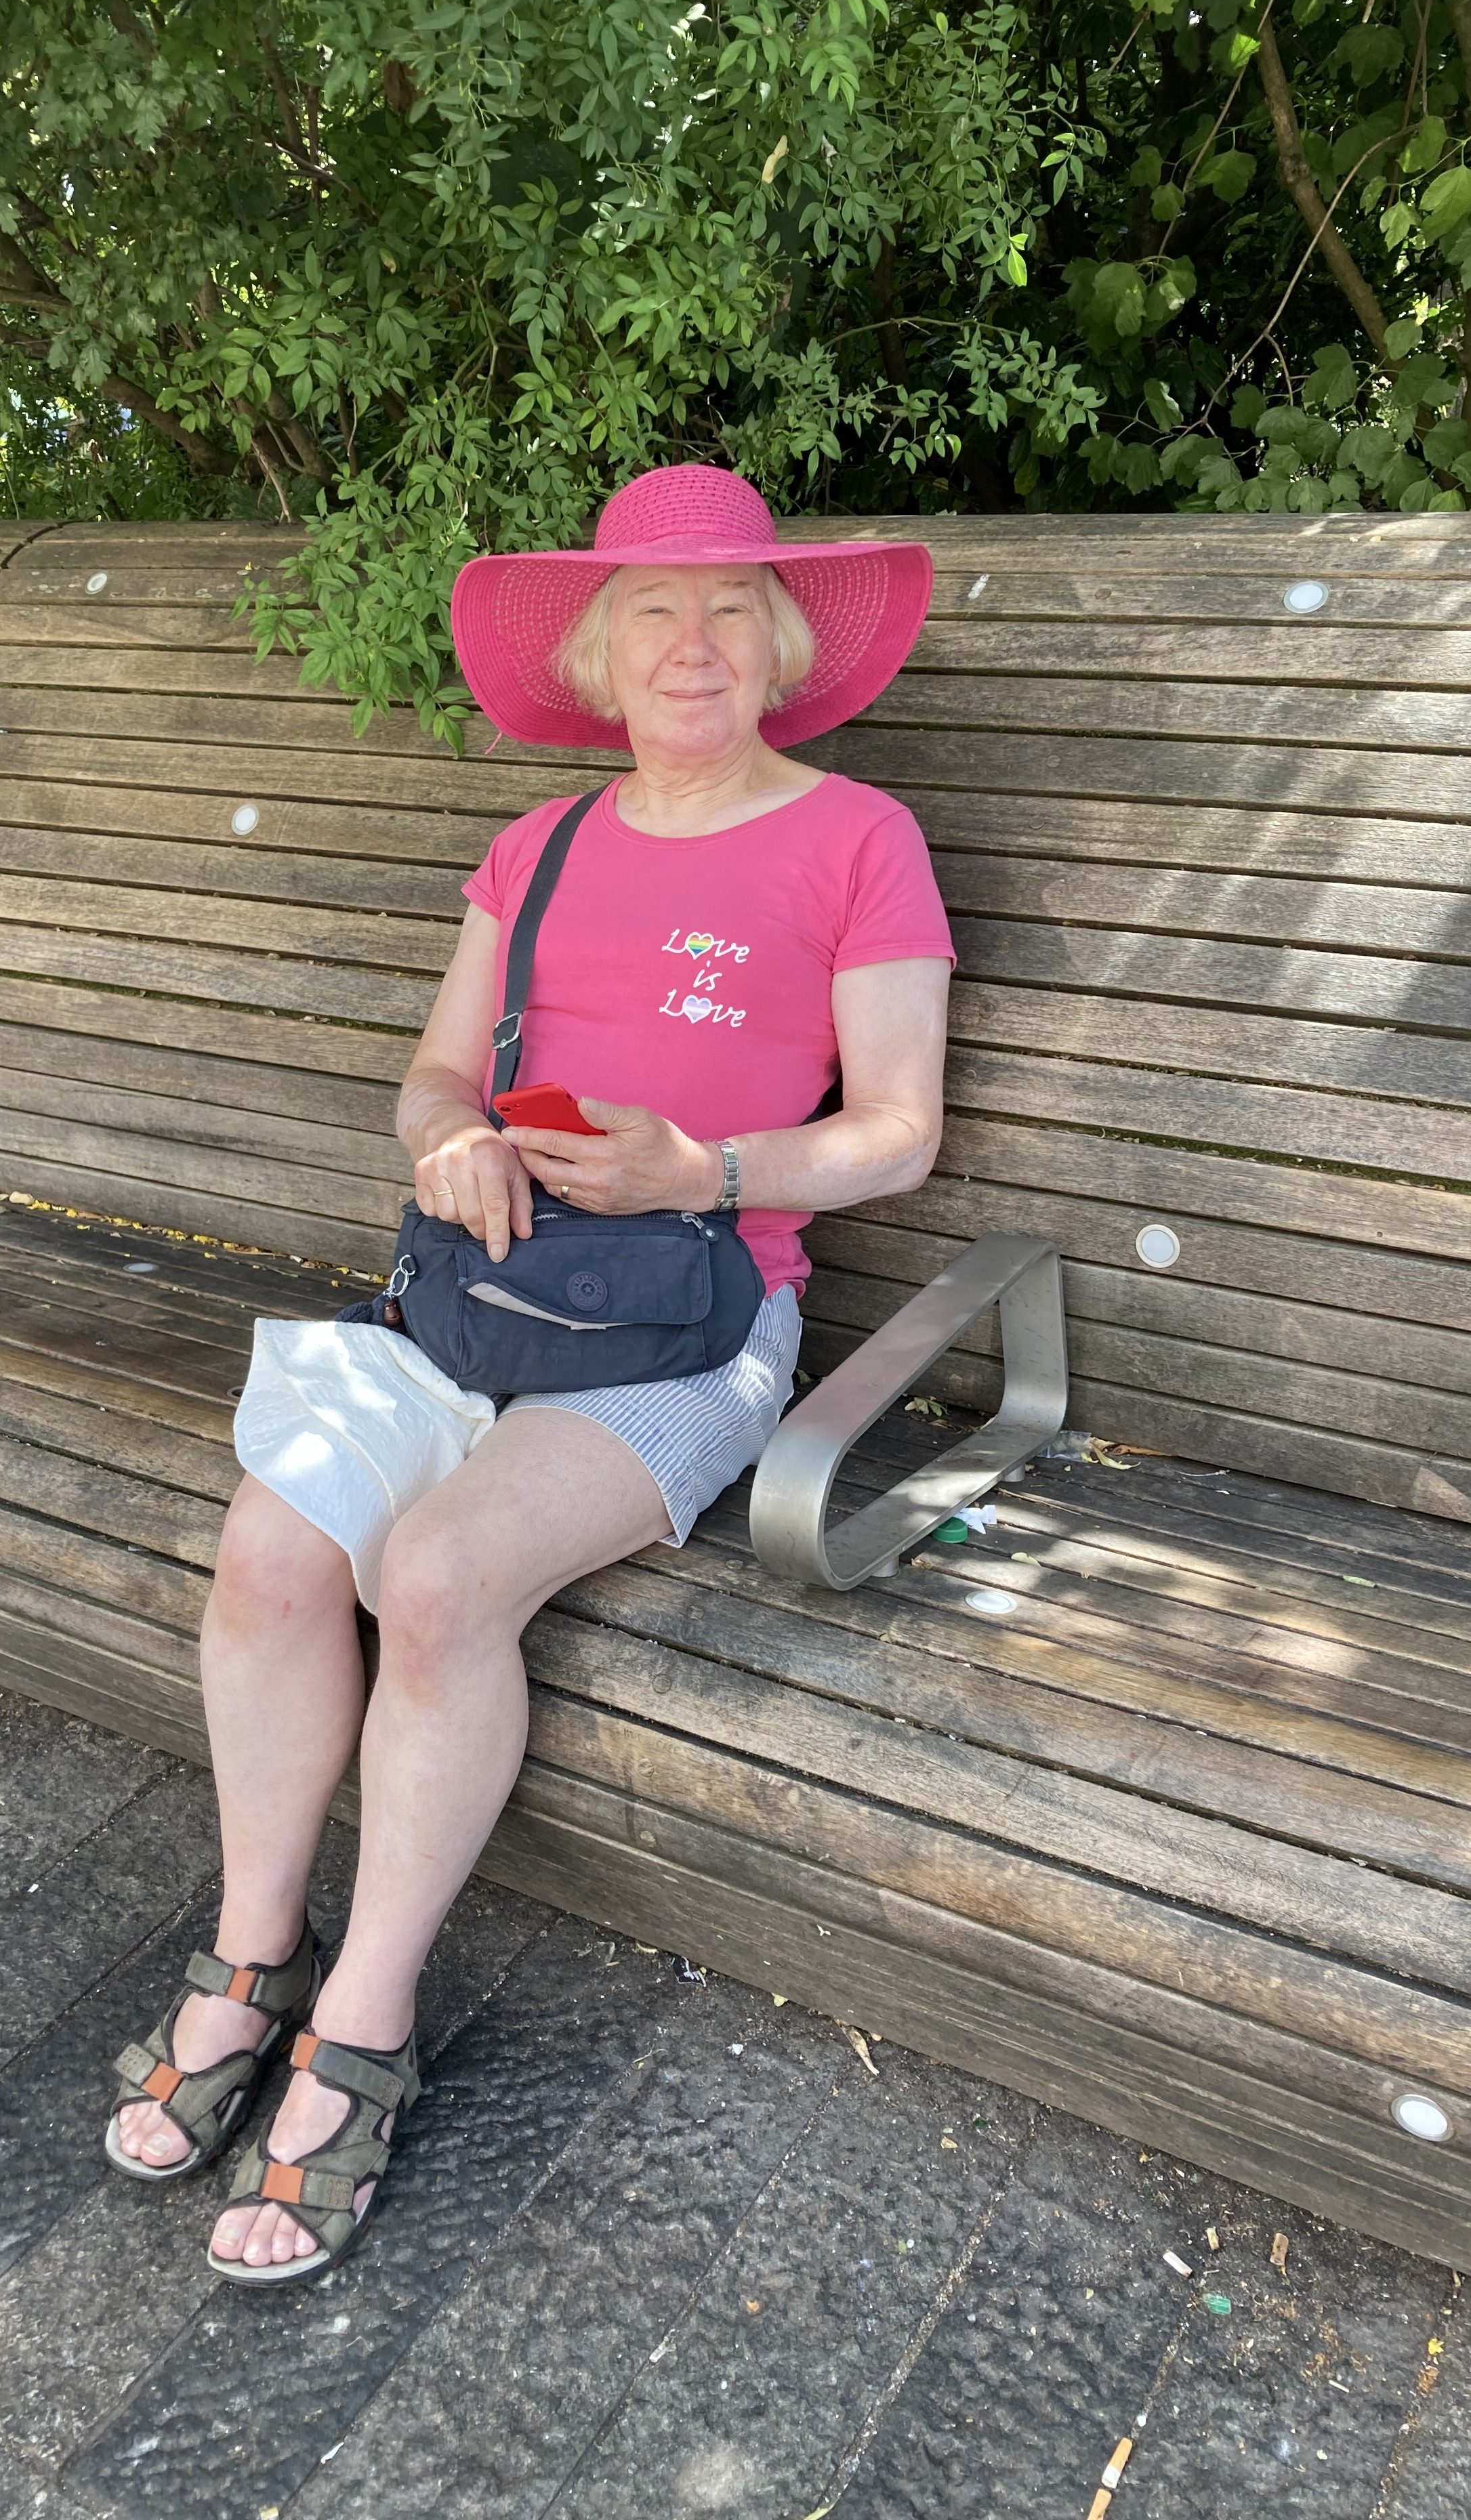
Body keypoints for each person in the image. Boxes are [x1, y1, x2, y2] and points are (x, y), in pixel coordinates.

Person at [104, 463, 954, 2283]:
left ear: (785, 642)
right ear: (601, 652)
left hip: (699, 1315)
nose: (695, 640)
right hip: (482, 1290)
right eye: (654, 607)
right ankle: (250, 1958)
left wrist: (701, 1170)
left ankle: (367, 2021)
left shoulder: (860, 838)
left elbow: (892, 1136)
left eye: (731, 606)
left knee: (433, 1571)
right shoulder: (540, 848)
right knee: (268, 1555)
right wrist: (450, 1147)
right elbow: (431, 1079)